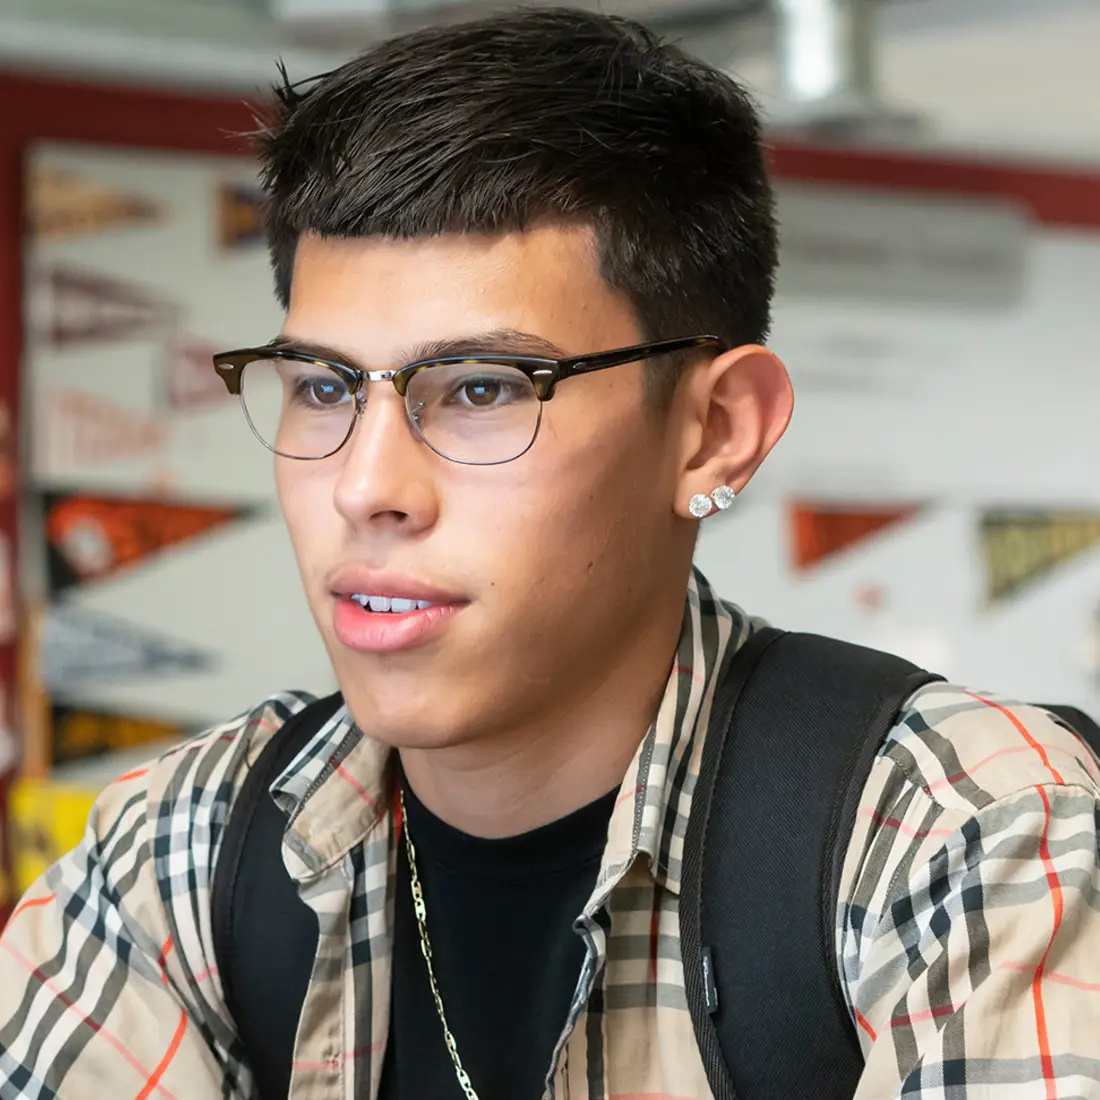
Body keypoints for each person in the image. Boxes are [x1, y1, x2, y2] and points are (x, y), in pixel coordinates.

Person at [2, 8, 1099, 1099]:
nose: (364, 485)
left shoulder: (958, 829)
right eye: (325, 387)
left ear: (714, 430)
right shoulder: (175, 854)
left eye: (481, 389)